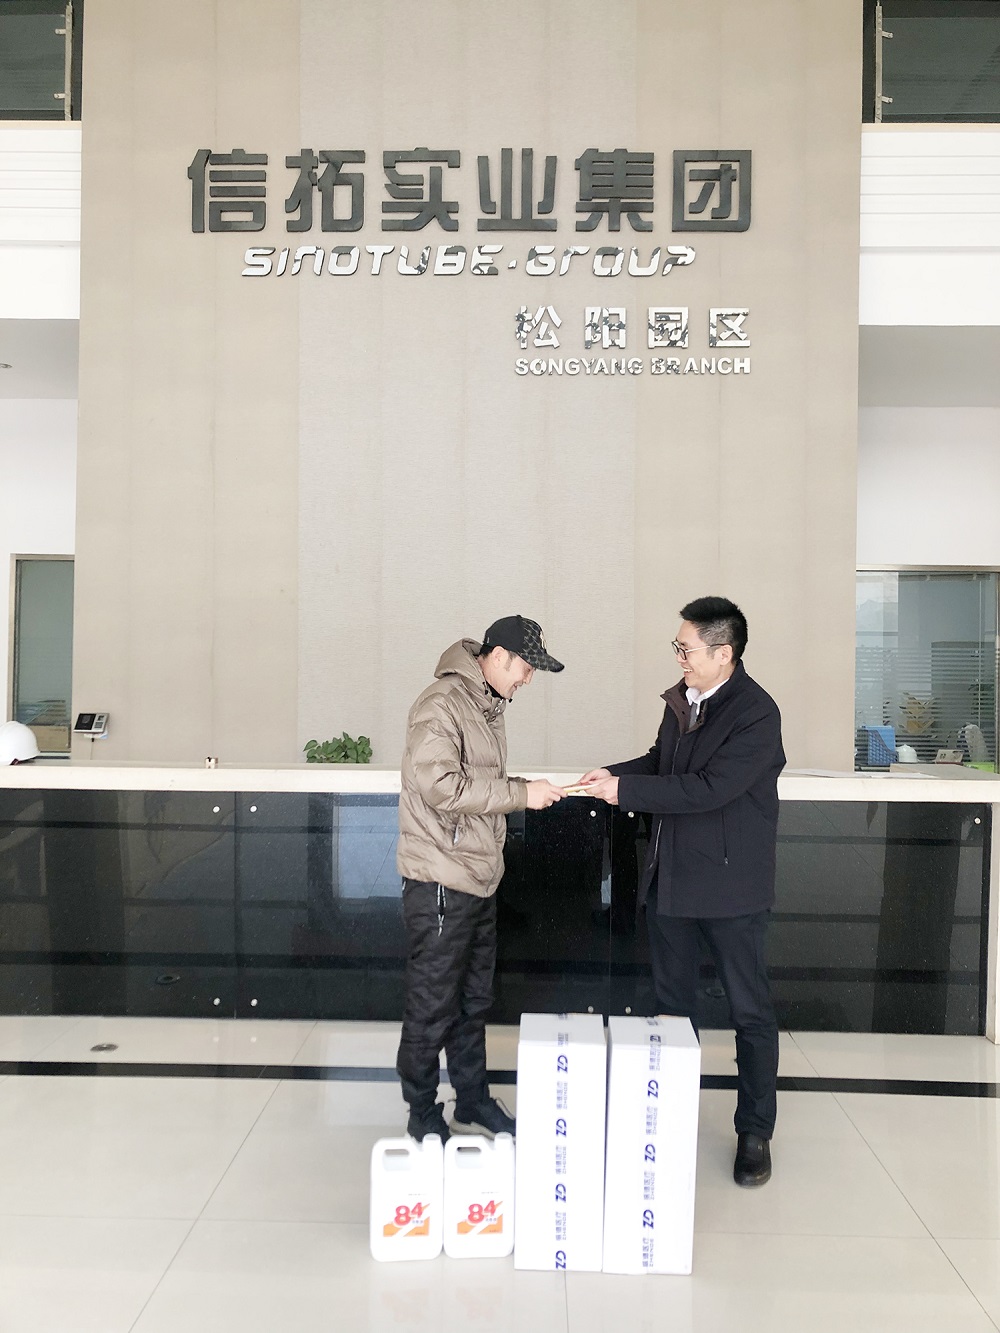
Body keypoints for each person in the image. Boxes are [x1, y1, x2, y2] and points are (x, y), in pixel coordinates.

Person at [578, 596, 785, 1187]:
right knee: (671, 1009)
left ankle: (754, 1132)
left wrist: (627, 793)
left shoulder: (756, 713)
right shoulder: (682, 701)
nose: (680, 658)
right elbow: (660, 762)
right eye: (678, 648)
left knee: (749, 1011)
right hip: (671, 880)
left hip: (731, 888)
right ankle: (667, 1118)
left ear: (724, 654)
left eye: (686, 649)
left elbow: (708, 788)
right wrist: (614, 775)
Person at [396, 615, 566, 1142]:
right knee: (432, 1004)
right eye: (526, 667)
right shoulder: (442, 703)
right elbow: (441, 786)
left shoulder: (486, 706)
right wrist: (521, 794)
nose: (529, 679)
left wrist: (527, 789)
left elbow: (479, 783)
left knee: (473, 1002)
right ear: (497, 657)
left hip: (478, 878)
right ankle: (422, 1111)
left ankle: (470, 1100)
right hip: (441, 881)